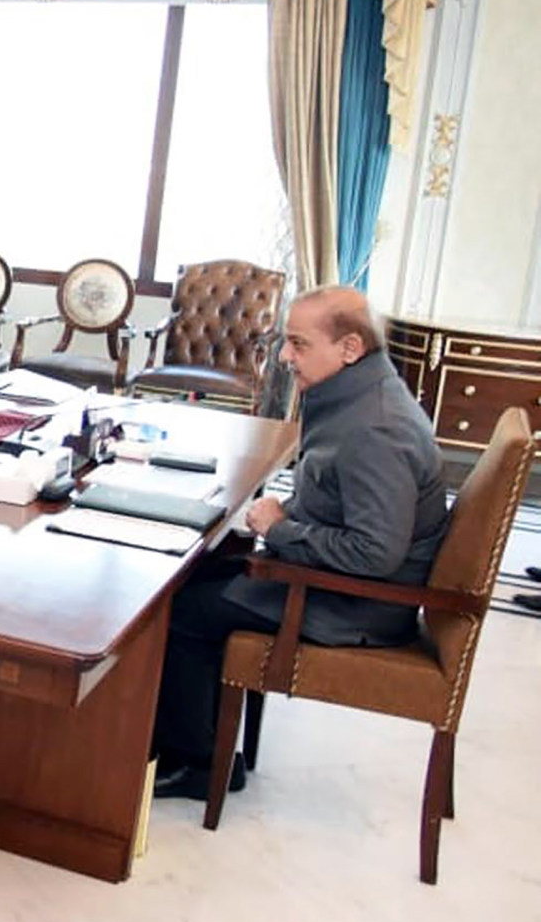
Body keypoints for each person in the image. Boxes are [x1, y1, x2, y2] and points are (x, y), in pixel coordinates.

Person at [151, 286, 451, 800]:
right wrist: (286, 518)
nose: (286, 357)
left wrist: (280, 529)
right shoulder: (357, 395)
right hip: (335, 585)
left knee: (180, 608)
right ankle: (181, 738)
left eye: (298, 344)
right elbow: (342, 498)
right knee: (193, 572)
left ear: (350, 348)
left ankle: (198, 765)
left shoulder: (376, 428)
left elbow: (375, 553)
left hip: (354, 606)